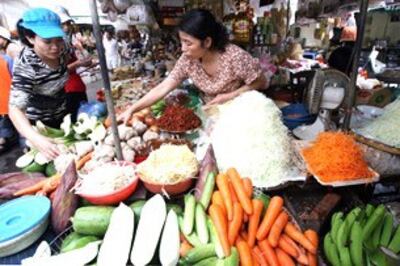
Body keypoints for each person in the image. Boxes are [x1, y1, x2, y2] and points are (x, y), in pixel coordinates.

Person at [118, 9, 267, 124]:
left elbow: (261, 82)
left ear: (207, 42)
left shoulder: (235, 56)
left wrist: (230, 96)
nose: (183, 48)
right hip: (210, 114)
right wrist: (132, 109)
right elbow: (163, 87)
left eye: (188, 43)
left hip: (239, 114)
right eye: (181, 41)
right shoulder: (188, 59)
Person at [8, 8, 68, 160]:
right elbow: (15, 108)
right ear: (30, 38)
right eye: (47, 41)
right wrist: (35, 138)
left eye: (58, 39)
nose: (55, 47)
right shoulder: (27, 65)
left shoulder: (62, 49)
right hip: (38, 124)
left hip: (61, 113)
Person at [58, 8, 93, 122]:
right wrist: (78, 63)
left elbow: (87, 61)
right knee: (76, 121)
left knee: (85, 118)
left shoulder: (71, 42)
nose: (67, 27)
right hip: (67, 90)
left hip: (77, 86)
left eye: (68, 23)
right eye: (63, 24)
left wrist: (81, 49)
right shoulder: (56, 46)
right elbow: (58, 70)